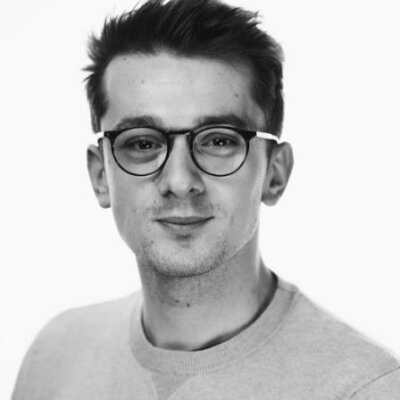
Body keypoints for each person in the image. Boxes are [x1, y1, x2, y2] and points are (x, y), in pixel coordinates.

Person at [12, 0, 400, 398]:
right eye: (142, 143)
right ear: (100, 176)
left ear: (275, 173)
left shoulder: (365, 388)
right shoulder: (54, 359)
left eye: (218, 141)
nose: (180, 181)